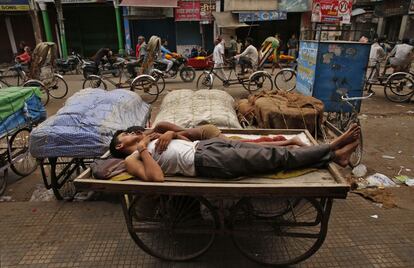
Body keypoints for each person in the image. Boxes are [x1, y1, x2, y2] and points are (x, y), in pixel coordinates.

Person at [109, 124, 360, 182]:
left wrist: (171, 134)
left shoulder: (149, 136)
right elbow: (157, 178)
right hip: (207, 161)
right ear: (121, 145)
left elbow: (184, 137)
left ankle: (336, 156)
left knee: (265, 149)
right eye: (125, 135)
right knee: (275, 158)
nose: (131, 133)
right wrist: (143, 151)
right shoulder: (133, 159)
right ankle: (331, 147)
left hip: (206, 148)